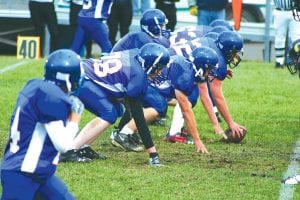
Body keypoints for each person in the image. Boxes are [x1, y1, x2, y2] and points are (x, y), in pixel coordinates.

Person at [60, 43, 170, 166]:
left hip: (83, 70)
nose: (159, 72)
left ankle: (82, 146)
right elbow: (138, 117)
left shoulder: (135, 54)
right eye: (159, 68)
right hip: (82, 78)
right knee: (109, 113)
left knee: (118, 110)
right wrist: (152, 152)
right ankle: (70, 151)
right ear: (150, 65)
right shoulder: (137, 76)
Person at [1, 49, 84, 199]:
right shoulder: (51, 97)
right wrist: (75, 119)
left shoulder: (35, 86)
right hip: (22, 173)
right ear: (66, 78)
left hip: (38, 171)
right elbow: (63, 144)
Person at [112, 47, 221, 153]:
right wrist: (197, 140)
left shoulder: (187, 69)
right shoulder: (186, 76)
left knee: (159, 102)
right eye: (209, 70)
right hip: (140, 82)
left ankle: (124, 131)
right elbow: (186, 110)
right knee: (158, 106)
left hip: (142, 82)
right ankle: (124, 134)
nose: (211, 74)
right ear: (200, 68)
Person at [166, 31, 246, 141]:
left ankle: (176, 129)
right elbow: (214, 97)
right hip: (169, 67)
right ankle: (174, 132)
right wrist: (230, 123)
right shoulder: (218, 60)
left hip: (169, 60)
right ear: (228, 50)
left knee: (186, 94)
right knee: (190, 96)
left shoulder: (210, 41)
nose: (234, 57)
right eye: (234, 53)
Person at [272, 0, 294, 68]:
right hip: (280, 10)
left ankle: (293, 61)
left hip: (294, 10)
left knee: (295, 37)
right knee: (279, 37)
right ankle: (279, 61)